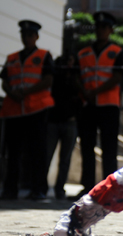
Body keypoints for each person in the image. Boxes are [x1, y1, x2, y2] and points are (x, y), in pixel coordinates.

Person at [0, 20, 55, 201]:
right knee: (12, 153)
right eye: (24, 35)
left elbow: (48, 80)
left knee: (37, 152)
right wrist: (11, 92)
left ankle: (38, 189)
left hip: (36, 110)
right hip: (14, 110)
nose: (27, 38)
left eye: (30, 35)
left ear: (36, 36)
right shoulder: (12, 58)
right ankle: (10, 190)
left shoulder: (44, 55)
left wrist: (26, 92)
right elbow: (5, 81)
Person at [74, 11, 123, 198]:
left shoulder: (117, 52)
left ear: (110, 30)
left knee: (109, 149)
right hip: (88, 106)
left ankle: (109, 189)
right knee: (87, 147)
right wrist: (85, 92)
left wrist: (95, 91)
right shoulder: (83, 53)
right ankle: (87, 186)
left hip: (109, 106)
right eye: (98, 27)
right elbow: (77, 76)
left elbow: (117, 77)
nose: (101, 30)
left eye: (105, 27)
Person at [46, 54, 81, 200]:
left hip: (70, 121)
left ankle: (59, 189)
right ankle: (41, 187)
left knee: (65, 159)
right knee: (47, 156)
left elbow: (80, 93)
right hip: (54, 120)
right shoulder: (56, 76)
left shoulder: (77, 76)